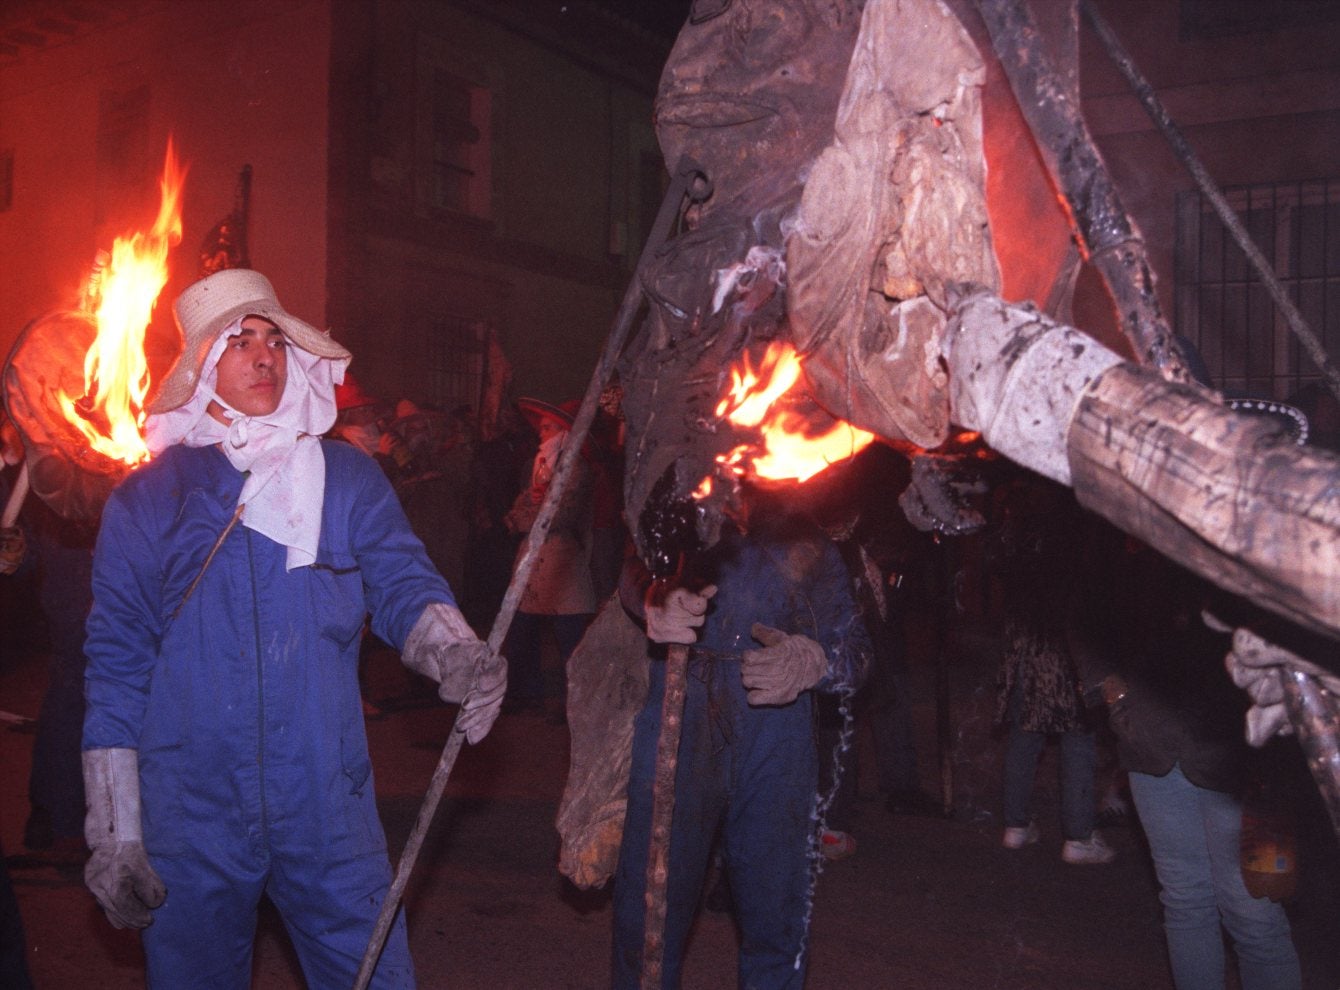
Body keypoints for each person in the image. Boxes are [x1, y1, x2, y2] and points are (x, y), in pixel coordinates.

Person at [80, 268, 507, 987]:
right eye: (239, 340)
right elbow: (117, 664)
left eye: (274, 340)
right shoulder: (149, 500)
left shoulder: (345, 477)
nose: (263, 356)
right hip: (191, 808)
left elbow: (402, 580)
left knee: (373, 975)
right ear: (202, 366)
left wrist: (457, 651)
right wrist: (115, 831)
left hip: (324, 799)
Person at [610, 483, 871, 989]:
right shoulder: (681, 516)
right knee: (649, 915)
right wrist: (652, 600)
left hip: (774, 723)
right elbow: (631, 569)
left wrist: (815, 662)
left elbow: (858, 652)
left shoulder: (809, 542)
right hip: (679, 709)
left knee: (776, 915)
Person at [1074, 527, 1302, 990]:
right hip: (1152, 740)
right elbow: (1084, 601)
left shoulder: (1252, 524)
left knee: (1253, 911)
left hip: (1238, 753)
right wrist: (1112, 692)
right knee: (1185, 901)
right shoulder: (1132, 521)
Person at [992, 474, 1113, 865]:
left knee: (1025, 733)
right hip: (1068, 647)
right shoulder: (1079, 522)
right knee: (1078, 737)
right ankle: (1078, 836)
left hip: (1026, 644)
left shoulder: (1016, 520)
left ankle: (1015, 825)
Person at [502, 398, 596, 719]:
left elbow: (562, 514)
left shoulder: (576, 468)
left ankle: (573, 702)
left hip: (562, 562)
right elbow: (519, 508)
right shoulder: (540, 463)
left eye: (548, 427)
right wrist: (525, 514)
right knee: (520, 630)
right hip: (532, 560)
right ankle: (525, 693)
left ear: (565, 431)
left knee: (569, 635)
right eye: (541, 427)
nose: (541, 433)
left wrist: (528, 517)